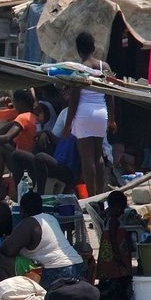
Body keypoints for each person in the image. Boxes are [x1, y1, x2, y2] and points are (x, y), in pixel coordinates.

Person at [61, 32, 116, 197]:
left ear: (78, 50)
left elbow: (74, 101)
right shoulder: (104, 67)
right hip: (101, 112)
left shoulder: (78, 69)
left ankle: (92, 197)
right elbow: (110, 95)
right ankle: (100, 195)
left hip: (83, 114)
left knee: (87, 158)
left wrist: (67, 125)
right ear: (93, 48)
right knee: (99, 154)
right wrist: (111, 120)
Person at [0, 192, 85, 288]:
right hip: (79, 268)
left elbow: (7, 250)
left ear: (22, 210)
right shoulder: (51, 218)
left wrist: (5, 241)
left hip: (57, 272)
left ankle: (8, 298)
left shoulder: (29, 223)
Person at [95, 191, 134, 300]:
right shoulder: (114, 222)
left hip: (113, 259)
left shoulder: (108, 220)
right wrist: (117, 257)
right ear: (118, 207)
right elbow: (112, 239)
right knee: (120, 283)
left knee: (115, 284)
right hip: (116, 260)